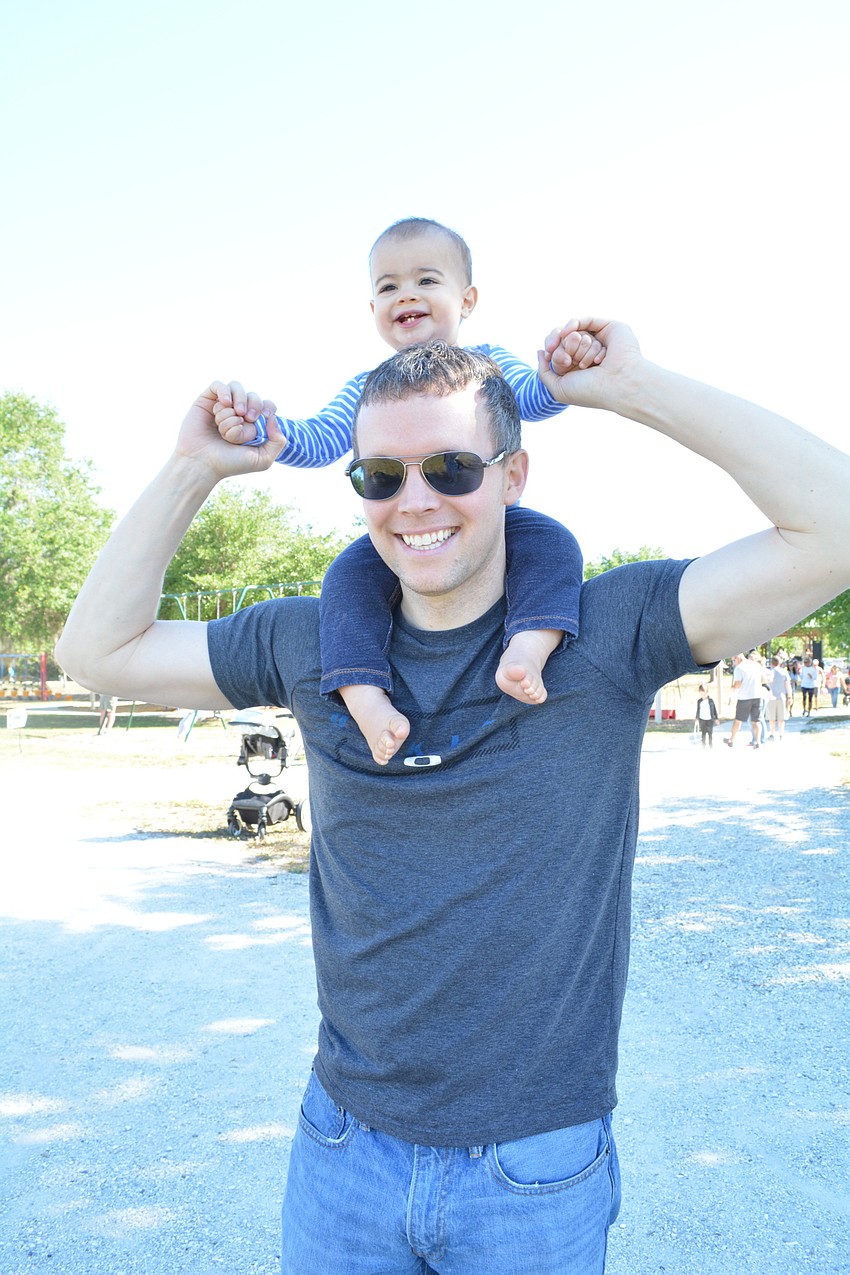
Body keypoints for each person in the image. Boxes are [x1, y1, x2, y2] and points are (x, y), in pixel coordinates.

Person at [56, 318, 850, 1274]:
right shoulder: (309, 644)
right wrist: (191, 470)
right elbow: (97, 653)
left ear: (515, 477)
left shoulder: (609, 631)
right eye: (379, 476)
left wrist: (635, 386)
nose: (414, 501)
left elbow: (836, 528)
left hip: (534, 1168)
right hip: (342, 1150)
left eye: (453, 468)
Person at [212, 218, 605, 764]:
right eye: (388, 286)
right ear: (371, 308)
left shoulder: (490, 369)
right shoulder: (370, 387)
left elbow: (535, 399)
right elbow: (323, 441)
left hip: (488, 522)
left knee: (552, 543)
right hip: (400, 534)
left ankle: (529, 647)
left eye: (426, 280)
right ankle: (365, 697)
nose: (406, 295)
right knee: (346, 582)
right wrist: (263, 433)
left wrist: (565, 369)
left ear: (466, 300)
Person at [723, 651, 767, 749]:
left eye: (733, 660)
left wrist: (732, 687)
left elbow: (738, 684)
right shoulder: (756, 665)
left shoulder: (739, 668)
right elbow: (764, 680)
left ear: (738, 657)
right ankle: (758, 741)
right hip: (757, 696)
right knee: (756, 721)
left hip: (744, 697)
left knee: (738, 720)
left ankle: (731, 739)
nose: (733, 663)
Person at [765, 656, 792, 741]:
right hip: (781, 697)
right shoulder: (784, 672)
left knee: (771, 717)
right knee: (781, 717)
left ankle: (772, 733)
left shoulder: (769, 672)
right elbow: (788, 685)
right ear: (779, 663)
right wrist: (790, 697)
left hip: (771, 697)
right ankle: (781, 734)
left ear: (771, 663)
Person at [694, 684, 719, 748]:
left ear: (707, 692)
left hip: (710, 719)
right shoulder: (699, 701)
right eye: (702, 694)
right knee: (703, 733)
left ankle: (710, 745)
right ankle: (703, 745)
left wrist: (716, 718)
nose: (703, 695)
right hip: (702, 719)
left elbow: (714, 710)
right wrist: (696, 718)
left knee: (710, 733)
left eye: (704, 693)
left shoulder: (711, 701)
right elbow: (698, 710)